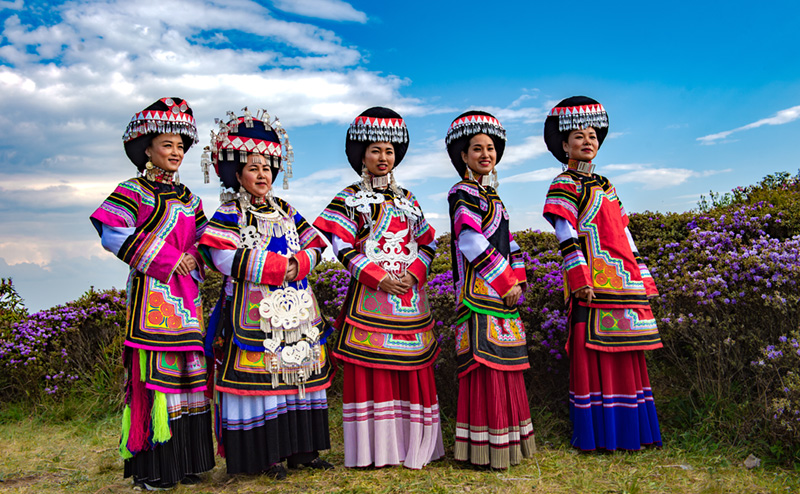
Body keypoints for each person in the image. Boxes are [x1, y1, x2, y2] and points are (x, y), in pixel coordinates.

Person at [198, 109, 334, 479]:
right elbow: (220, 255)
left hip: (297, 308)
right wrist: (277, 268)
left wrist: (300, 264)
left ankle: (302, 450)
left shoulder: (287, 210)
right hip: (254, 310)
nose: (263, 175)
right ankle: (265, 455)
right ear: (237, 173)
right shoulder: (230, 213)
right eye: (254, 168)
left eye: (268, 168)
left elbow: (317, 244)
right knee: (263, 379)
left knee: (298, 375)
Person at [90, 97, 214, 489]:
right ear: (147, 149)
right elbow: (113, 233)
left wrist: (193, 257)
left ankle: (187, 462)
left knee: (191, 377)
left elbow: (205, 238)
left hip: (187, 299)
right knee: (156, 378)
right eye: (167, 145)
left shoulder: (190, 198)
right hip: (152, 298)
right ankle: (156, 468)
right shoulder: (133, 191)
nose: (175, 153)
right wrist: (165, 258)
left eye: (180, 146)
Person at [313, 107, 444, 469]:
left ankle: (413, 444)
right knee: (375, 370)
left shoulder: (409, 199)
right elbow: (340, 246)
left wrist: (415, 274)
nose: (382, 158)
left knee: (412, 369)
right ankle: (377, 449)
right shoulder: (349, 198)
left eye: (388, 151)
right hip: (371, 297)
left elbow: (429, 243)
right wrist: (378, 277)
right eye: (375, 151)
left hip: (409, 299)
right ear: (362, 156)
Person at [542, 96, 663, 451]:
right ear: (564, 145)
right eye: (578, 136)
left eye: (592, 135)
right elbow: (564, 231)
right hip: (592, 284)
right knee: (593, 354)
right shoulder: (563, 183)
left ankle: (632, 432)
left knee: (628, 353)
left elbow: (623, 231)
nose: (588, 141)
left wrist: (642, 273)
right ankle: (598, 434)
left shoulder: (607, 185)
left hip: (622, 280)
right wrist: (578, 278)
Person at [445, 111, 536, 469]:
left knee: (506, 365)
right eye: (477, 149)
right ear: (463, 157)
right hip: (480, 292)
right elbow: (468, 240)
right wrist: (505, 281)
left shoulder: (492, 194)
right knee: (487, 368)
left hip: (501, 292)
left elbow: (508, 242)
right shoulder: (462, 193)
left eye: (491, 149)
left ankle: (506, 445)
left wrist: (518, 281)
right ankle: (484, 450)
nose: (486, 155)